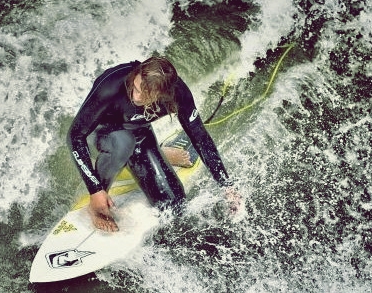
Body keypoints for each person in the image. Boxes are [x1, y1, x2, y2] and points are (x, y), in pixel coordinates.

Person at [68, 56, 242, 231]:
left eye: (144, 96)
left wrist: (227, 186)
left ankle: (157, 152)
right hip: (100, 133)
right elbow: (75, 136)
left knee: (174, 206)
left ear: (162, 95)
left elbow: (200, 138)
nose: (135, 96)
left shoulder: (178, 93)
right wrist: (96, 190)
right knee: (123, 143)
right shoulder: (112, 85)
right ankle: (96, 206)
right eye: (135, 88)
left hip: (139, 134)